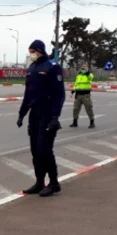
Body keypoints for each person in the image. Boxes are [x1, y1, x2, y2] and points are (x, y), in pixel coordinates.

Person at [17, 40, 66, 197]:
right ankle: (39, 182)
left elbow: (59, 95)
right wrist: (22, 113)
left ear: (40, 50)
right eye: (29, 51)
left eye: (33, 51)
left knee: (44, 150)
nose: (31, 54)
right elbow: (28, 93)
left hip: (48, 113)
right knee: (35, 151)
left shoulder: (52, 67)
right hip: (35, 114)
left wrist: (55, 116)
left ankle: (54, 183)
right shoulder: (32, 68)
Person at [70, 63, 95, 129]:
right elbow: (76, 84)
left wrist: (87, 72)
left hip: (86, 95)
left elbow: (90, 77)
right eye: (82, 68)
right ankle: (75, 122)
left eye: (84, 67)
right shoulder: (78, 75)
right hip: (78, 95)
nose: (83, 69)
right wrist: (73, 90)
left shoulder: (89, 75)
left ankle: (92, 122)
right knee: (75, 109)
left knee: (88, 108)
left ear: (87, 68)